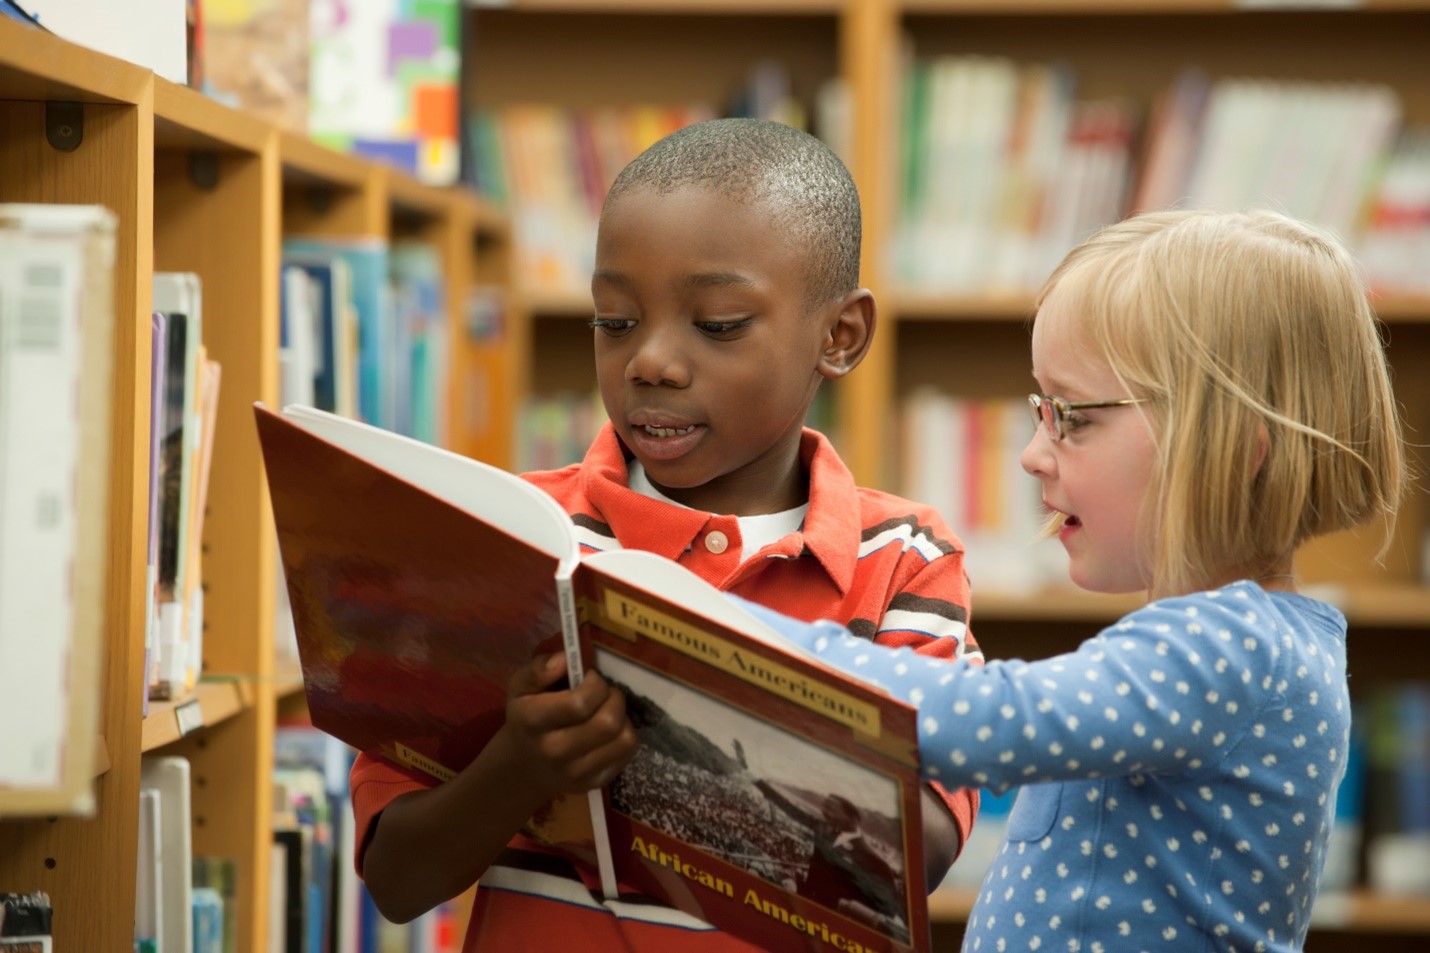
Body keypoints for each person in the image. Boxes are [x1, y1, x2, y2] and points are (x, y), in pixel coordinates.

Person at [350, 117, 984, 950]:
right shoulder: (504, 538)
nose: (649, 361)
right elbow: (397, 880)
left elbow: (918, 856)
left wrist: (700, 740)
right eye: (614, 322)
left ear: (840, 337)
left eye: (717, 324)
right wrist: (518, 769)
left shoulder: (903, 562)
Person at [742, 209, 1407, 952]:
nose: (1031, 454)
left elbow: (980, 719)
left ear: (1228, 447)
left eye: (1071, 417)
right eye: (1039, 410)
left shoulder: (1231, 645)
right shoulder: (1249, 641)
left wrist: (735, 632)